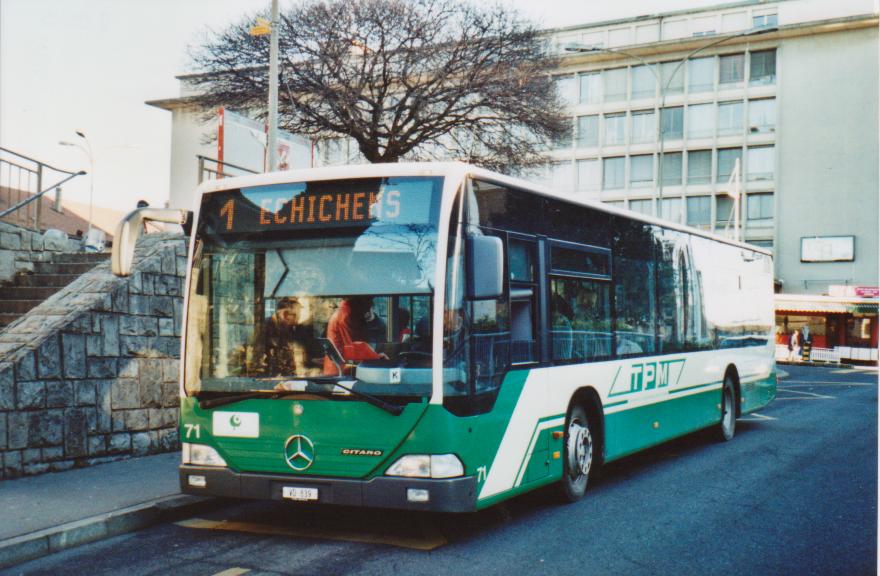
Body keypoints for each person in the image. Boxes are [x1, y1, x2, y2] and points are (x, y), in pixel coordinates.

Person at [323, 296, 383, 374]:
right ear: (360, 300)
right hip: (341, 372)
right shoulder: (347, 315)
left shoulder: (344, 312)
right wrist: (377, 358)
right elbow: (355, 347)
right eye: (368, 299)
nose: (371, 304)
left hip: (338, 368)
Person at [258, 296, 316, 376]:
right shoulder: (265, 327)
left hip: (287, 377)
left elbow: (294, 356)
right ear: (285, 314)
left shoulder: (290, 328)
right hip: (270, 377)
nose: (298, 318)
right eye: (295, 315)